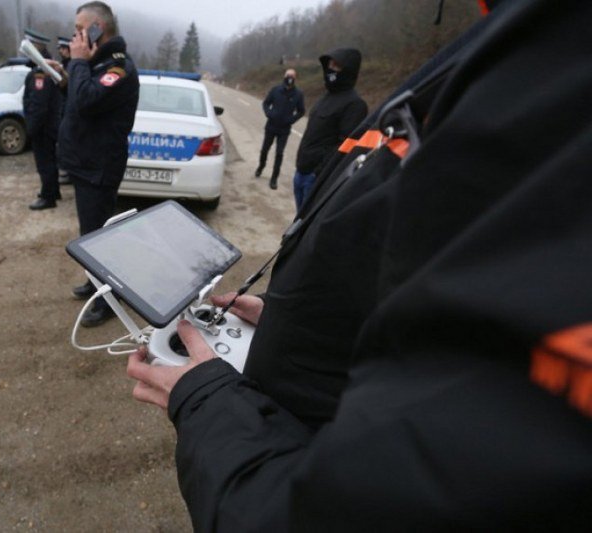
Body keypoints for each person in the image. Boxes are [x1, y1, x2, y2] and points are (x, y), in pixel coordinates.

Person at [126, 0, 592, 529]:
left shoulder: (560, 78)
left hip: (276, 453)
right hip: (284, 415)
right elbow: (408, 278)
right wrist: (297, 321)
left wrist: (205, 400)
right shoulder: (501, 46)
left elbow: (360, 504)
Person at [59, 1, 139, 327]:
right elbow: (79, 98)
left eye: (80, 29)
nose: (75, 35)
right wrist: (66, 71)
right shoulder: (97, 63)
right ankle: (96, 286)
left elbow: (87, 101)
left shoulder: (118, 69)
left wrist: (77, 64)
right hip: (86, 163)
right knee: (91, 236)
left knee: (99, 240)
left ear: (97, 29)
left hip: (99, 166)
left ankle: (108, 302)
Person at [292, 48, 367, 210]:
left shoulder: (355, 104)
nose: (330, 69)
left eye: (336, 66)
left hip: (317, 179)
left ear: (348, 70)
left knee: (304, 227)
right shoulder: (325, 97)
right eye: (329, 65)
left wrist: (318, 173)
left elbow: (345, 147)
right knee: (297, 222)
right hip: (301, 173)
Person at [22, 29, 65, 211]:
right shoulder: (43, 69)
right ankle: (53, 191)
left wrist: (31, 128)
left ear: (35, 48)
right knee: (50, 161)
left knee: (45, 162)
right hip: (50, 126)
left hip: (43, 128)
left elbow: (39, 105)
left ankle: (48, 197)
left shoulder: (41, 73)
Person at [255, 69, 305, 190]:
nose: (290, 78)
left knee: (279, 153)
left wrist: (291, 120)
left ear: (295, 78)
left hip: (284, 129)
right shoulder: (276, 90)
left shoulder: (298, 94)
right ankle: (261, 166)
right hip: (271, 126)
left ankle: (274, 178)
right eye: (288, 75)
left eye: (292, 76)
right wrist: (269, 113)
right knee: (264, 149)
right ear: (284, 76)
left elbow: (301, 111)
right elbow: (266, 103)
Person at [55, 36, 73, 186]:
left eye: (62, 49)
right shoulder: (64, 65)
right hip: (63, 107)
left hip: (70, 109)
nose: (60, 51)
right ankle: (65, 170)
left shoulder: (73, 65)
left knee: (68, 141)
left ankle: (68, 172)